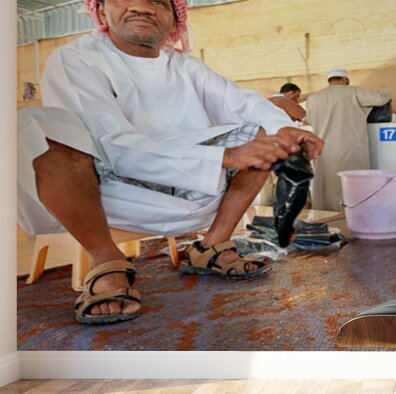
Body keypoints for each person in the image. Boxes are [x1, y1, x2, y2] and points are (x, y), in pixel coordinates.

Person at [16, 0, 323, 325]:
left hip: (198, 187)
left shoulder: (184, 66)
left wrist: (283, 129)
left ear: (173, 16)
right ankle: (106, 260)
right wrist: (223, 156)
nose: (141, 6)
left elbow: (241, 101)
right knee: (36, 125)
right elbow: (112, 147)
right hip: (108, 190)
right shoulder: (76, 59)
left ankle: (212, 244)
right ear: (102, 11)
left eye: (157, 1)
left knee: (266, 133)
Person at [305, 69, 391, 211]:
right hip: (348, 147)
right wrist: (385, 89)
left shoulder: (313, 98)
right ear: (345, 79)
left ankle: (325, 216)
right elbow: (380, 99)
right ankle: (348, 217)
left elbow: (309, 120)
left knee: (326, 185)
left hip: (323, 150)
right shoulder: (352, 92)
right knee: (349, 184)